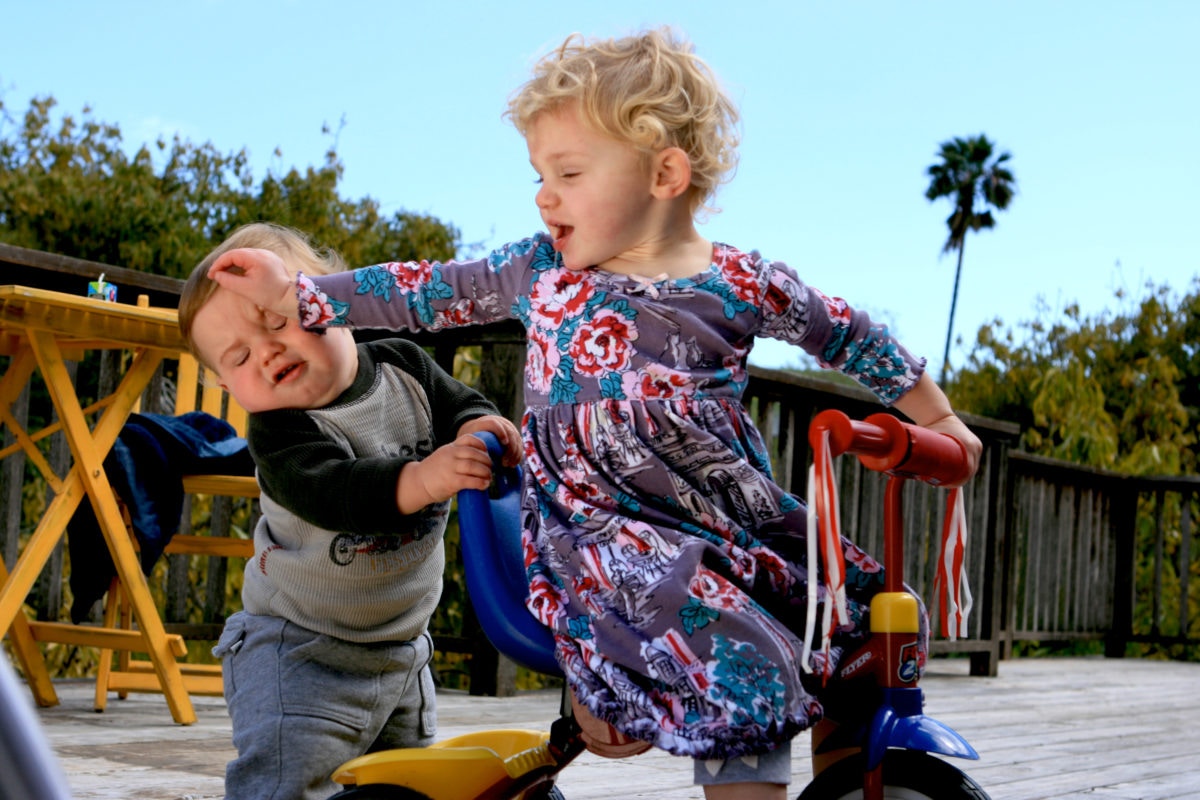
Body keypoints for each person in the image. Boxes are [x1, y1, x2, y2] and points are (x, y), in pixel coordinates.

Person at [206, 30, 983, 800]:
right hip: (600, 532)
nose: (545, 195)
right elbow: (420, 291)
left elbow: (846, 331)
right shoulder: (538, 272)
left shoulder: (742, 282)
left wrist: (937, 418)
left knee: (846, 613)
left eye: (569, 172)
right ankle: (635, 704)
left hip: (720, 519)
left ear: (664, 173)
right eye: (540, 174)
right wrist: (299, 299)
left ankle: (847, 779)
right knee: (726, 634)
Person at [178, 222, 522, 800]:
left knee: (404, 784)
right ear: (224, 383)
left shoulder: (405, 368)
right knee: (287, 783)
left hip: (403, 647)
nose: (267, 353)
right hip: (298, 650)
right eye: (239, 357)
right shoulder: (280, 430)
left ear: (333, 295)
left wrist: (480, 427)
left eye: (279, 319)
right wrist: (422, 477)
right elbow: (335, 492)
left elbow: (465, 404)